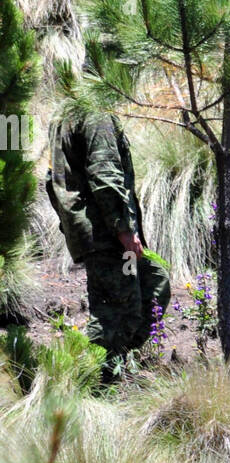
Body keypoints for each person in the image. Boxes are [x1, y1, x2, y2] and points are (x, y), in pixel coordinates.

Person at [47, 108, 170, 375]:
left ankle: (114, 364)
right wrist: (124, 231)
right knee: (115, 314)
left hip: (100, 233)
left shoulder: (70, 112)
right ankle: (90, 381)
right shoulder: (95, 113)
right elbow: (104, 175)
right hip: (107, 236)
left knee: (153, 283)